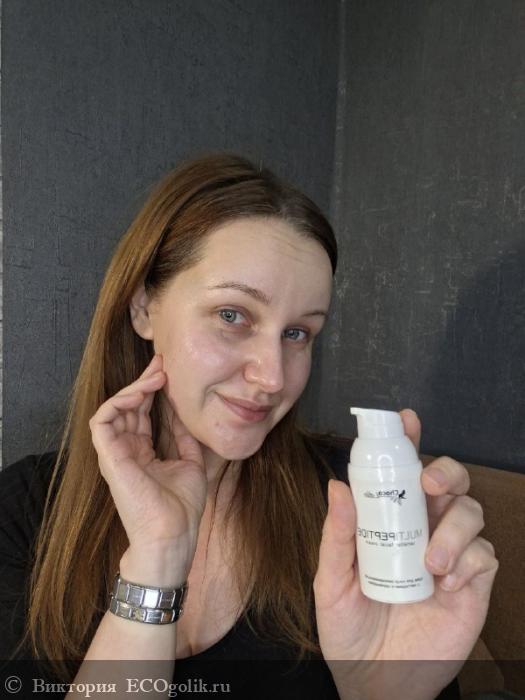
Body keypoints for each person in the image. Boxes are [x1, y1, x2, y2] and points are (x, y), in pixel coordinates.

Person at [0, 152, 498, 699]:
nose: (273, 377)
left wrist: (382, 694)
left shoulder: (361, 506)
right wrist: (157, 558)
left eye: (298, 333)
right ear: (143, 307)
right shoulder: (25, 512)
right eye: (232, 315)